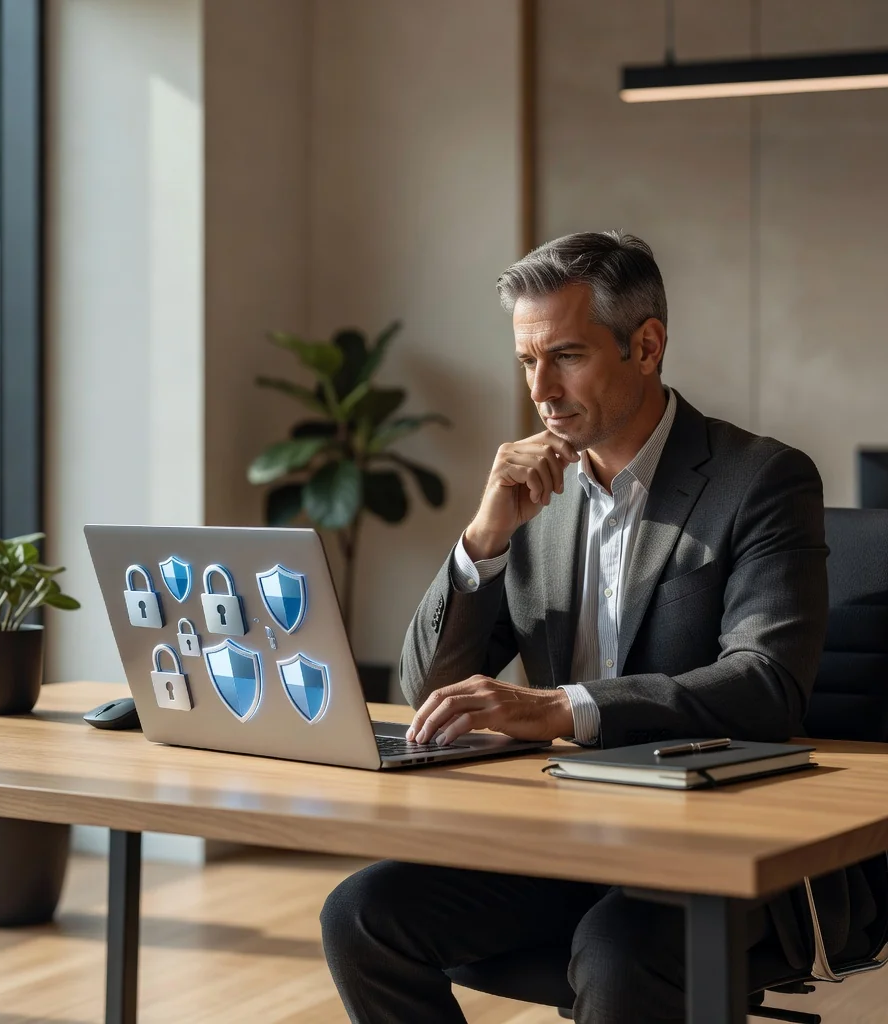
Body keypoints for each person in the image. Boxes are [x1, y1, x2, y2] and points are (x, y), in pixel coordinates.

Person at [320, 231, 844, 1023]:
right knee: (363, 916)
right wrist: (483, 538)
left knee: (616, 950)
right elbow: (424, 689)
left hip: (716, 850)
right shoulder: (536, 491)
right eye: (528, 361)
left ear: (647, 344)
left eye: (565, 356)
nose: (542, 388)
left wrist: (563, 707)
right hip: (566, 839)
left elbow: (764, 684)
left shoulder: (762, 481)